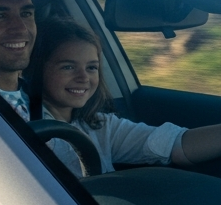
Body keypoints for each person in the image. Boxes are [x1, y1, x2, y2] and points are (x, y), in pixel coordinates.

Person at [29, 18, 221, 175]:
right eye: (68, 67)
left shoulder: (99, 125)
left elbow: (171, 145)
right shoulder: (26, 129)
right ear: (38, 69)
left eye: (91, 68)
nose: (83, 78)